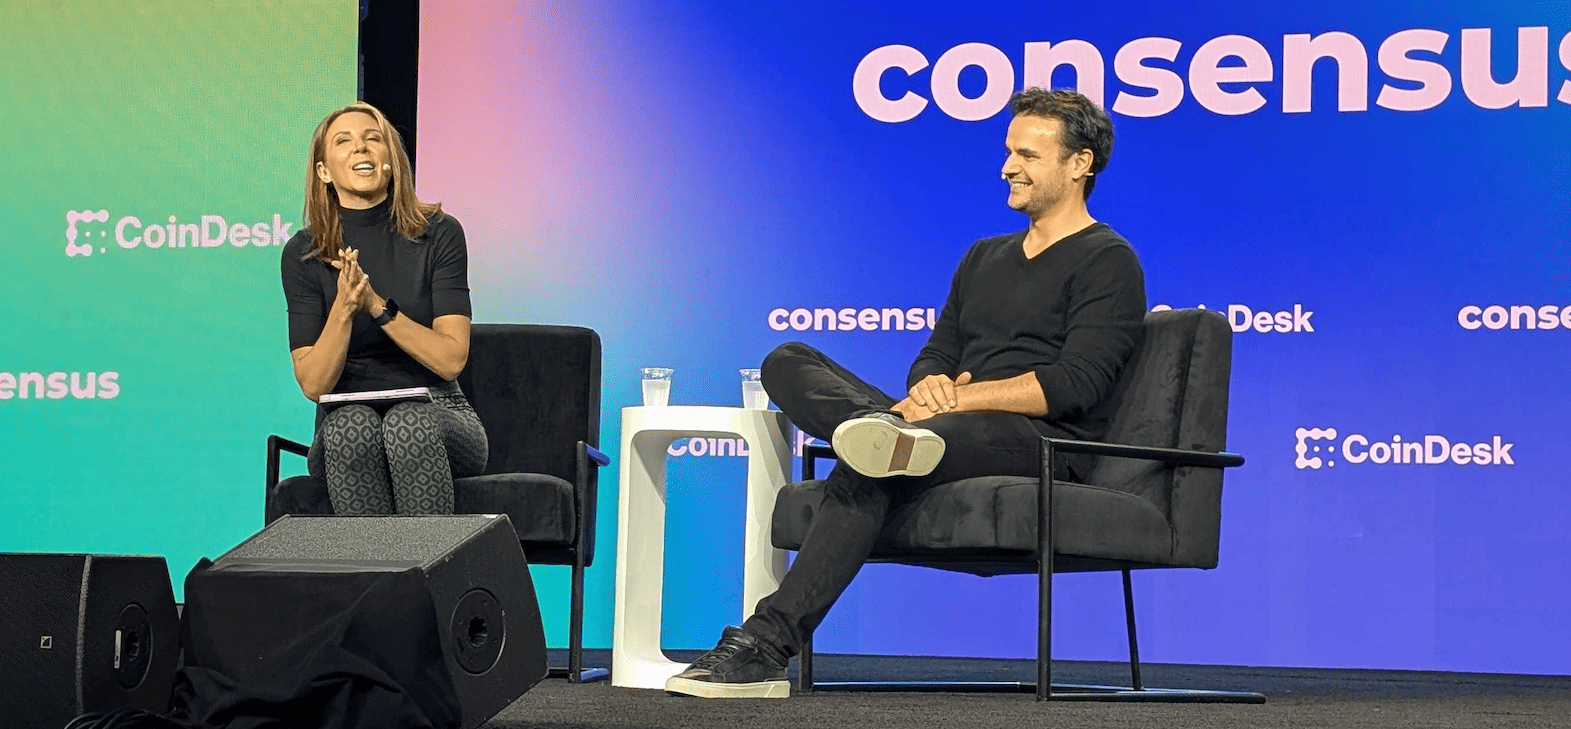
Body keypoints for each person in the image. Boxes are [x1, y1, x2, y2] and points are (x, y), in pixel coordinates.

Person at [665, 88, 1147, 699]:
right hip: (944, 426)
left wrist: (956, 401)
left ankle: (764, 645)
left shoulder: (1108, 260)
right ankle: (875, 429)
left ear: (1080, 163)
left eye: (1027, 155)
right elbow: (939, 353)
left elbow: (1074, 385)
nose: (1008, 167)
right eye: (1008, 152)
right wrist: (928, 387)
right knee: (787, 361)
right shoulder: (984, 256)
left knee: (880, 459)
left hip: (1041, 442)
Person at [280, 102, 487, 515]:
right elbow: (314, 385)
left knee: (406, 421)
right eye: (344, 141)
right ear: (324, 171)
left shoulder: (439, 233)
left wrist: (376, 306)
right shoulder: (304, 253)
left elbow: (450, 360)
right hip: (341, 421)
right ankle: (373, 561)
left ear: (391, 160)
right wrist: (344, 307)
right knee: (352, 427)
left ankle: (428, 559)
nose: (361, 148)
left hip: (439, 412)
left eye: (373, 139)